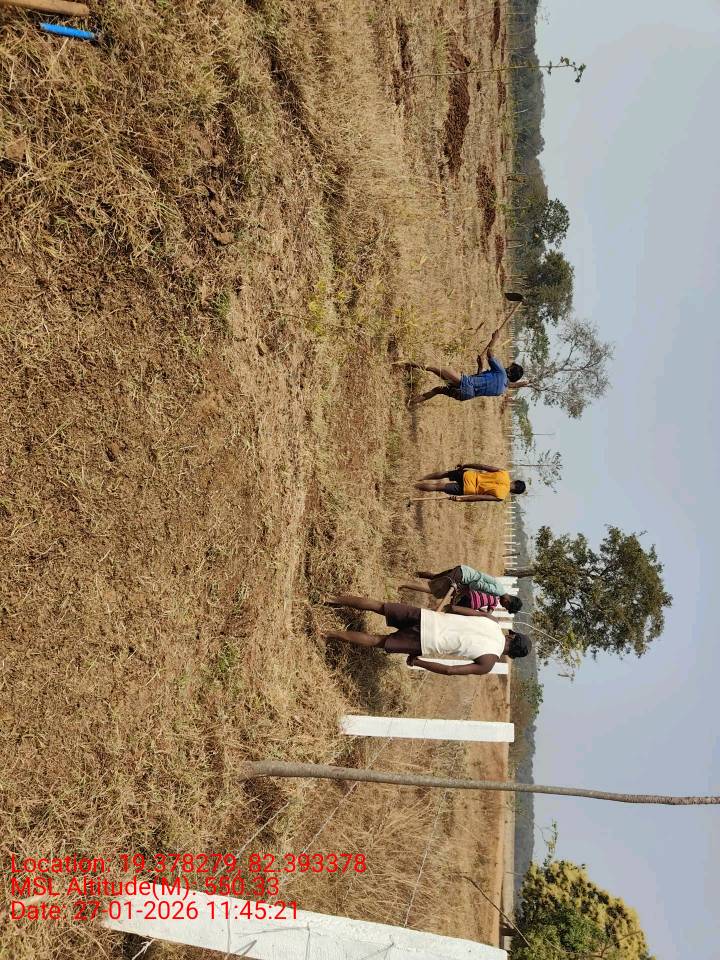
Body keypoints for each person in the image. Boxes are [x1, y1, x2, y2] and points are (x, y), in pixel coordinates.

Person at [325, 595, 530, 676]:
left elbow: (455, 609)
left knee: (379, 606)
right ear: (512, 655)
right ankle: (327, 633)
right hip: (425, 642)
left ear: (512, 636)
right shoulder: (488, 663)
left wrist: (447, 609)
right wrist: (418, 662)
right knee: (377, 640)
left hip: (427, 617)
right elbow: (450, 670)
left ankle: (332, 599)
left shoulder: (492, 621)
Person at [400, 327, 524, 406]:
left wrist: (494, 339)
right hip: (466, 395)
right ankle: (410, 403)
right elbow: (479, 384)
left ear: (510, 371)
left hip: (465, 383)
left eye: (510, 367)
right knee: (437, 390)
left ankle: (405, 364)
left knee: (436, 368)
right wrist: (480, 367)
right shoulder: (501, 391)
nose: (507, 367)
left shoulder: (502, 373)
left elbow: (489, 353)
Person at [402, 566, 522, 613]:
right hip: (463, 577)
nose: (503, 606)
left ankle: (410, 571)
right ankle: (403, 583)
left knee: (435, 577)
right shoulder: (497, 592)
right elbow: (476, 584)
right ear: (508, 601)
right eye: (506, 607)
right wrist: (460, 591)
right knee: (434, 590)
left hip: (463, 571)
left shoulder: (500, 588)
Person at [414, 461, 526, 502]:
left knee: (446, 474)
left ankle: (421, 478)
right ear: (514, 492)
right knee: (439, 487)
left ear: (515, 481)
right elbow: (480, 498)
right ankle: (415, 486)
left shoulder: (504, 473)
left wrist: (466, 465)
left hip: (469, 475)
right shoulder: (501, 496)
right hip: (468, 489)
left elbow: (483, 466)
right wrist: (460, 499)